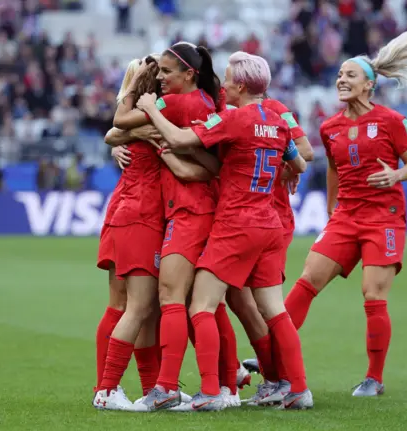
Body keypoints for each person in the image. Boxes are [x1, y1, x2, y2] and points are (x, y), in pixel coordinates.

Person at [280, 23, 407, 398]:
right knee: (308, 278)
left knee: (373, 294)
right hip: (346, 217)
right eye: (339, 75)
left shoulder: (391, 121)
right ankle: (275, 355)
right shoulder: (329, 127)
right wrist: (329, 210)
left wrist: (396, 175)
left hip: (383, 217)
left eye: (350, 75)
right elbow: (335, 171)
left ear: (369, 84)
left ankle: (374, 377)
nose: (341, 80)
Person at [137, 51, 311, 411]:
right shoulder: (278, 121)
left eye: (229, 80)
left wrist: (152, 111)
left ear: (242, 86)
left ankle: (211, 393)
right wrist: (285, 172)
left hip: (236, 224)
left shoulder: (236, 119)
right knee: (274, 310)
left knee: (200, 305)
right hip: (270, 224)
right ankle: (297, 389)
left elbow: (183, 140)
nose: (224, 85)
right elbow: (297, 162)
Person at [106, 43, 247, 411]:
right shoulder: (205, 101)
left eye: (169, 72)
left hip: (188, 213)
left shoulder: (176, 104)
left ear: (188, 74)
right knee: (208, 305)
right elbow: (211, 162)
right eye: (161, 72)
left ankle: (160, 387)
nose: (163, 78)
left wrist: (136, 91)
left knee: (166, 302)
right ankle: (227, 382)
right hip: (195, 211)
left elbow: (119, 124)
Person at [226, 98, 314, 405]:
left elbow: (305, 152)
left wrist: (287, 166)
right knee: (240, 301)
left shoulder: (275, 108)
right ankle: (274, 377)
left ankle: (276, 378)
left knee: (251, 302)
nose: (223, 84)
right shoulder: (226, 109)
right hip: (245, 217)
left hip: (264, 216)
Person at [92, 55, 165, 411]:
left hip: (125, 209)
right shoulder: (153, 112)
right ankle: (108, 387)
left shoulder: (135, 118)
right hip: (139, 214)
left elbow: (113, 130)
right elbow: (115, 129)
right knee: (135, 306)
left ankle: (145, 388)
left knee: (132, 306)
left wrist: (123, 135)